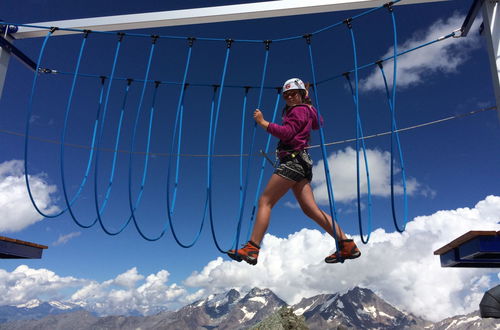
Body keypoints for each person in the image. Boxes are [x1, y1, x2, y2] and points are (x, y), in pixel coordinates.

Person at [227, 78, 361, 265]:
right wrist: (307, 102)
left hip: (292, 161)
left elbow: (288, 133)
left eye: (293, 93)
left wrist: (263, 122)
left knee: (265, 201)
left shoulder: (298, 110)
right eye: (286, 95)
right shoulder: (307, 110)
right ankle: (346, 244)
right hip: (302, 163)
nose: (289, 97)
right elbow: (318, 123)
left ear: (301, 94)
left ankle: (252, 248)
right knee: (310, 209)